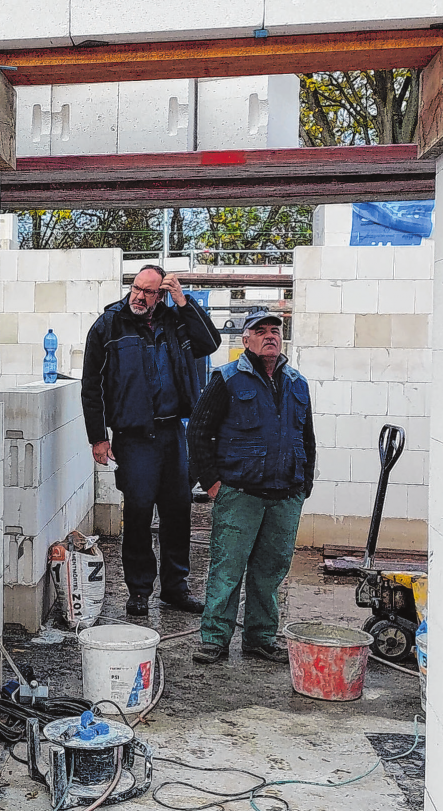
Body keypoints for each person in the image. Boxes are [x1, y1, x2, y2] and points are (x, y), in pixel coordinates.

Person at [81, 264, 222, 617]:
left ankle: (175, 588)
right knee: (139, 514)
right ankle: (140, 591)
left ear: (161, 294)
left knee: (178, 513)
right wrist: (98, 438)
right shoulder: (109, 325)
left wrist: (184, 302)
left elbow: (210, 343)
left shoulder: (176, 320)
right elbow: (90, 387)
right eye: (136, 288)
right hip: (134, 437)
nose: (139, 297)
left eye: (148, 292)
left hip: (174, 433)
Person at [187, 309, 316, 664]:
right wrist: (213, 483)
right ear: (246, 340)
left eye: (275, 330)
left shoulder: (297, 383)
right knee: (227, 570)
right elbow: (198, 432)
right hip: (239, 495)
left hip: (285, 496)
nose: (270, 335)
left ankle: (260, 638)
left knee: (269, 572)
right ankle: (214, 639)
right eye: (260, 331)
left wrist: (304, 484)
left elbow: (307, 438)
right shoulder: (227, 379)